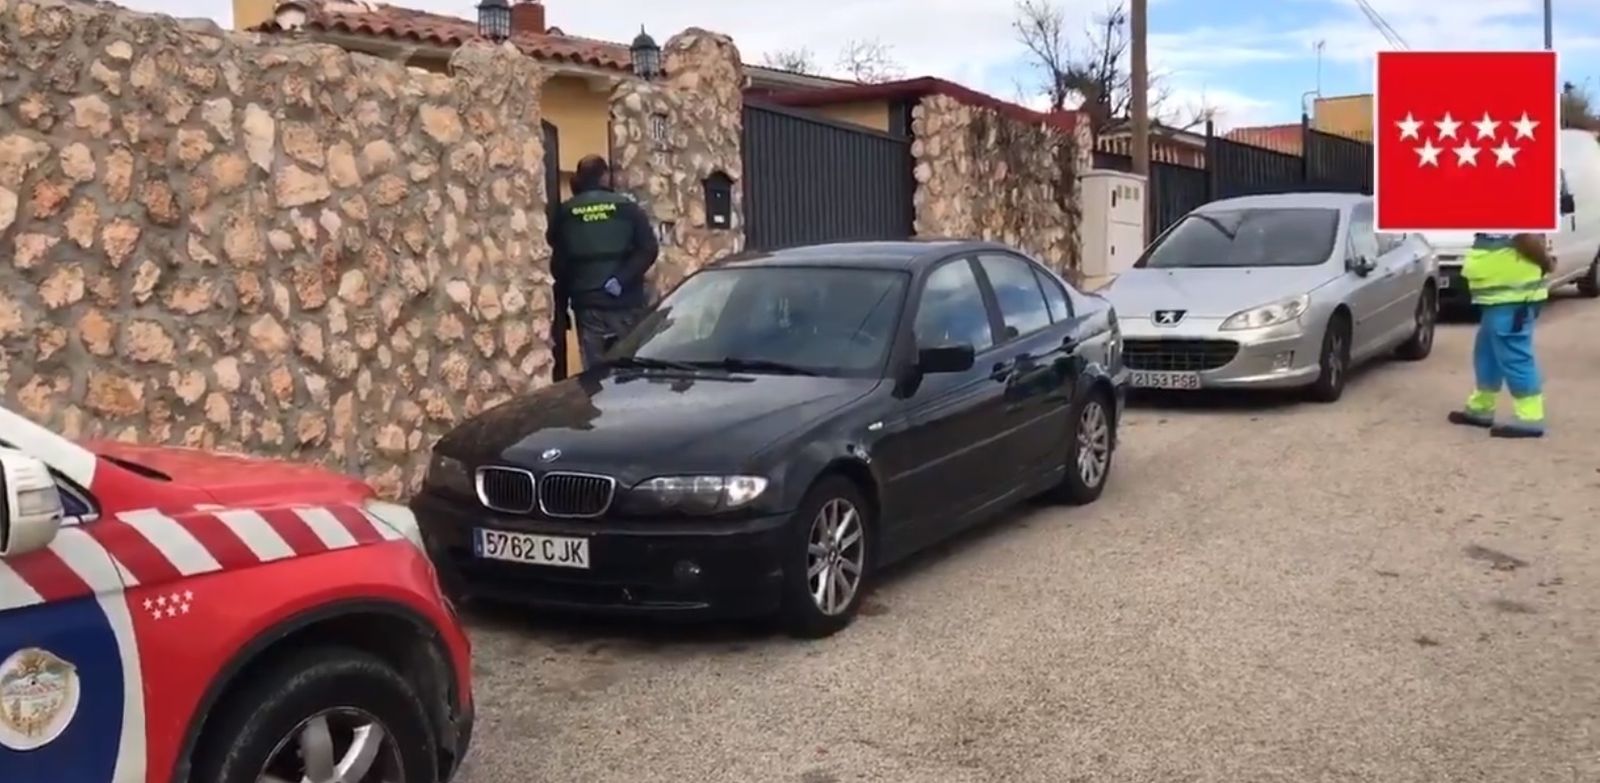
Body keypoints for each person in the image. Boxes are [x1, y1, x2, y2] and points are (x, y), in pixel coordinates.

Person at [549, 155, 659, 370]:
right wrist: (621, 279)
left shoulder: (566, 212)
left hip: (588, 305)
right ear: (605, 177)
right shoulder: (628, 208)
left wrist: (560, 311)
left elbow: (559, 264)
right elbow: (648, 249)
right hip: (625, 302)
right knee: (630, 368)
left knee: (595, 375)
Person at [1448, 232, 1553, 438]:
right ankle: (1481, 407)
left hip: (1512, 296)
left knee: (1514, 353)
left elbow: (1526, 239)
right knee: (1487, 352)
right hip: (1500, 296)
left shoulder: (1513, 210)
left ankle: (1530, 416)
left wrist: (1546, 262)